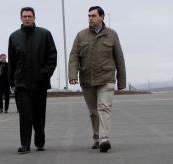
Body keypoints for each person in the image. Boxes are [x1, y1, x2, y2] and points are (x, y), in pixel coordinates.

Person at [69, 6, 126, 153]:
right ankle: (96, 136)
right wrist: (73, 76)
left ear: (101, 17)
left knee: (104, 108)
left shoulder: (112, 35)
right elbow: (74, 57)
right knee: (93, 111)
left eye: (93, 16)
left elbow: (119, 59)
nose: (90, 18)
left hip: (106, 79)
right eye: (89, 16)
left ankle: (104, 139)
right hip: (87, 79)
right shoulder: (81, 36)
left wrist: (121, 81)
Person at [7, 7, 57, 154]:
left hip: (39, 82)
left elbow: (52, 57)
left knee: (39, 114)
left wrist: (44, 73)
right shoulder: (14, 37)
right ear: (20, 18)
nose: (27, 18)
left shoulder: (45, 34)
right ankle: (25, 144)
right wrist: (12, 81)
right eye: (24, 16)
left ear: (34, 17)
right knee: (25, 114)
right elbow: (12, 60)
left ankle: (39, 139)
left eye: (29, 16)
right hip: (22, 83)